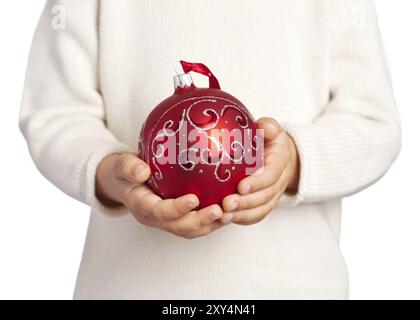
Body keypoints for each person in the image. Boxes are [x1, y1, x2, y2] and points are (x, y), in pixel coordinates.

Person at [20, 0, 400, 299]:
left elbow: (374, 124)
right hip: (127, 288)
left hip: (296, 287)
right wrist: (108, 173)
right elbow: (56, 113)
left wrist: (294, 161)